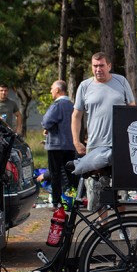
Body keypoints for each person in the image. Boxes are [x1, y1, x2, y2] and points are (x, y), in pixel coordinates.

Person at [71, 52, 136, 199]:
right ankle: (102, 222)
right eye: (95, 66)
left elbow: (132, 109)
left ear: (109, 66)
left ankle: (121, 222)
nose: (98, 69)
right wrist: (76, 141)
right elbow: (76, 115)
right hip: (95, 145)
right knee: (96, 192)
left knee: (121, 191)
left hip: (120, 145)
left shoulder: (121, 81)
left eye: (101, 66)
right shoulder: (85, 86)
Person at [42, 80, 77, 209]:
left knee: (55, 173)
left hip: (56, 145)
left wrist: (46, 127)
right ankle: (72, 200)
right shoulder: (72, 105)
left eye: (52, 88)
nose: (51, 91)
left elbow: (47, 121)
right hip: (70, 144)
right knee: (71, 174)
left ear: (57, 90)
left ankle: (56, 202)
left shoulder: (57, 105)